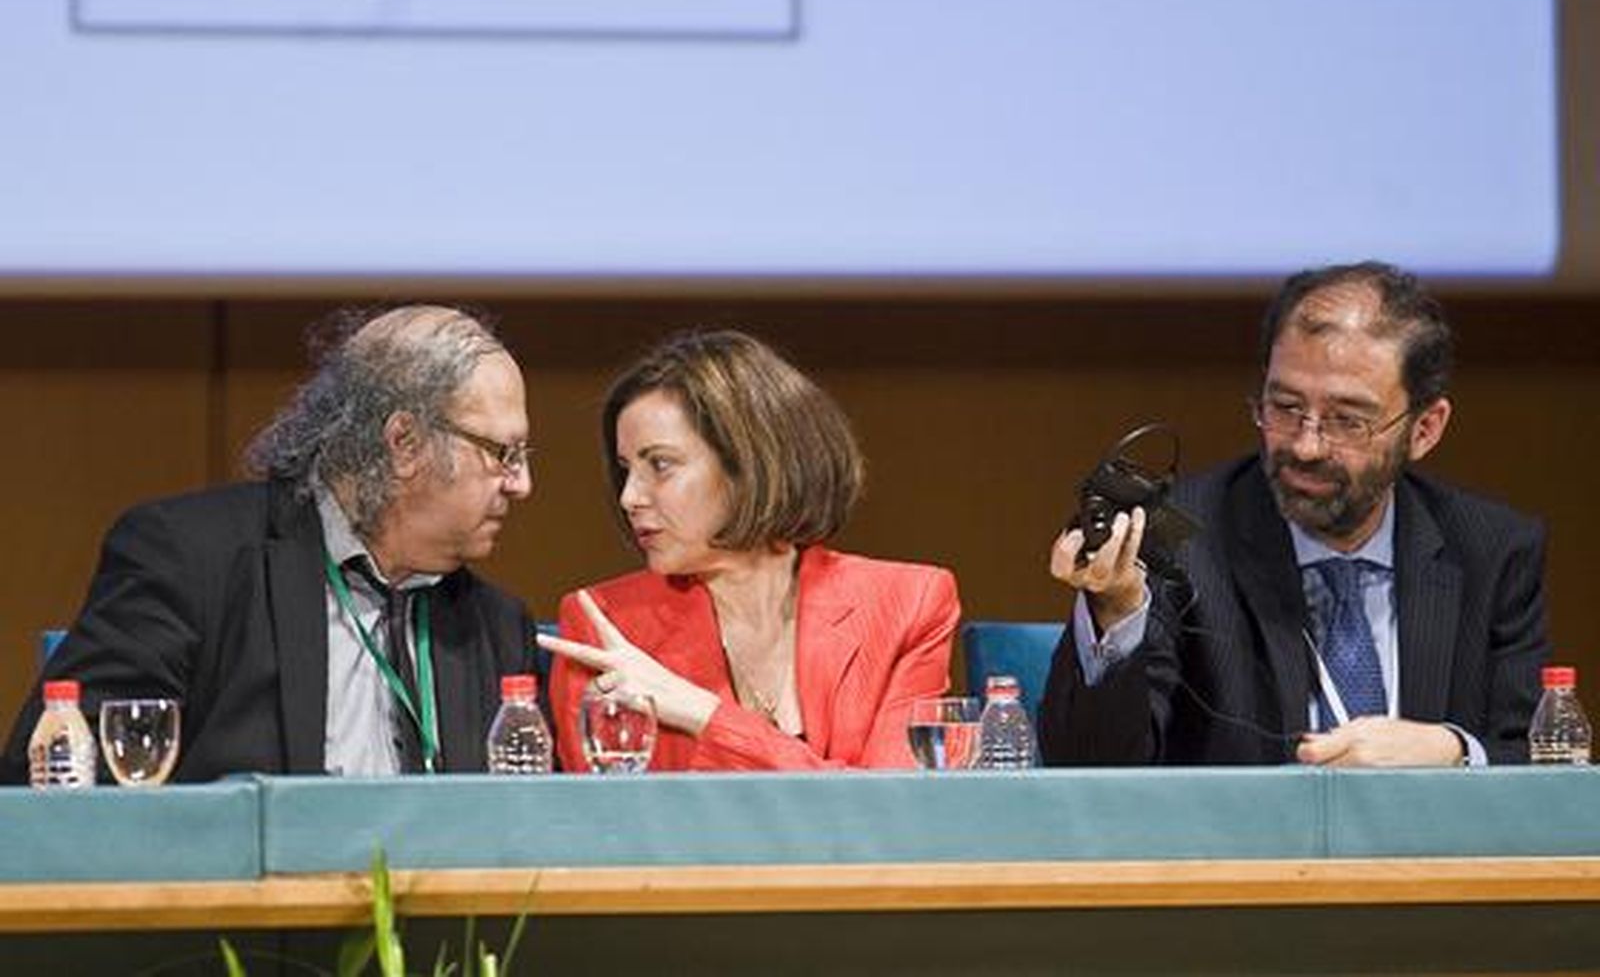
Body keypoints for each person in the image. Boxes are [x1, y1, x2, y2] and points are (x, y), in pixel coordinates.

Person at [1037, 262, 1549, 768]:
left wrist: (1454, 750)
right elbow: (1089, 774)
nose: (1306, 446)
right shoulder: (1178, 539)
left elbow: (1538, 762)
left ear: (1425, 429)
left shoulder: (1493, 550)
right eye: (1284, 407)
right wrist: (1118, 611)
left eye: (1348, 420)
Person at [1, 305, 537, 782]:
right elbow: (51, 779)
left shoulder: (495, 626)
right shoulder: (190, 561)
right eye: (503, 453)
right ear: (404, 443)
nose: (522, 484)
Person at [539, 329, 961, 771]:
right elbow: (614, 828)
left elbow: (892, 810)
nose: (630, 497)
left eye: (660, 465)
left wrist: (704, 715)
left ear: (748, 464)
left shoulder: (907, 603)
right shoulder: (604, 625)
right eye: (626, 470)